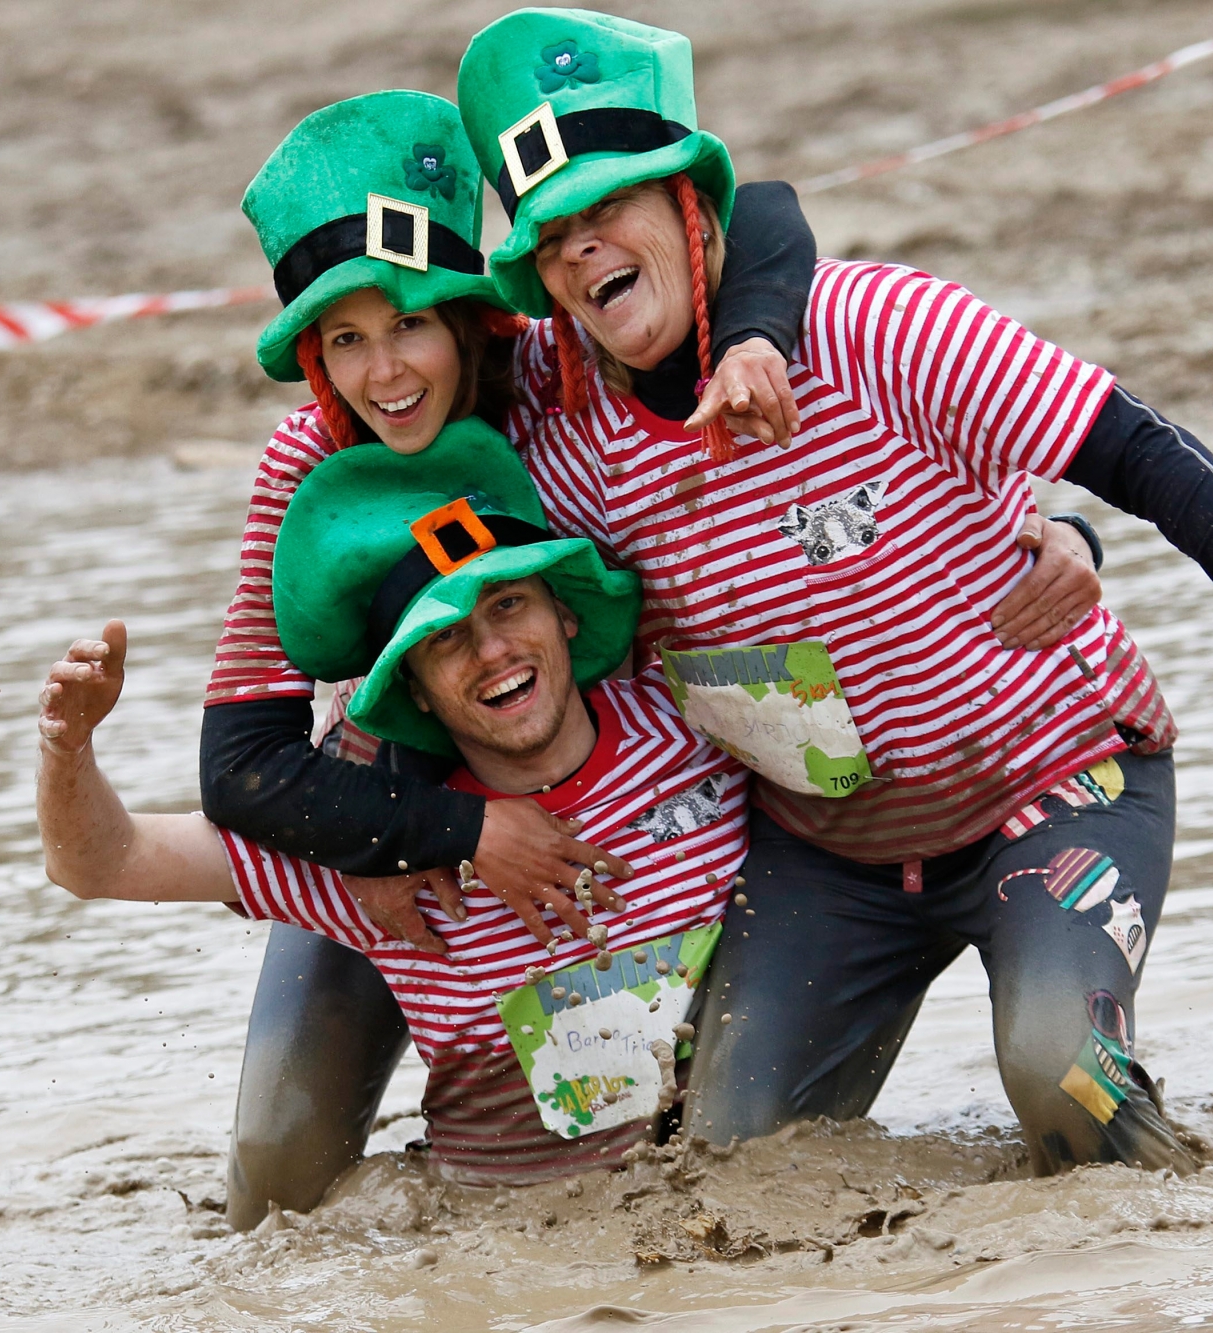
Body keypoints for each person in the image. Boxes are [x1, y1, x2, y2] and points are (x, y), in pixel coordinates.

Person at [438, 8, 1213, 1175]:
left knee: (1058, 1080)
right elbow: (402, 436)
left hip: (1056, 788)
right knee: (722, 1171)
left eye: (607, 206)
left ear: (688, 205)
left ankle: (1182, 1190)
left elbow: (1140, 450)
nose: (580, 249)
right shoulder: (560, 437)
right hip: (824, 855)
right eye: (552, 235)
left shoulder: (877, 325)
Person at [202, 81, 1112, 1219]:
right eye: (345, 342)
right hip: (389, 845)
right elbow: (235, 767)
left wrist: (1056, 521)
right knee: (273, 1171)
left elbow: (766, 223)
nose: (387, 375)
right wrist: (417, 828)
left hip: (618, 816)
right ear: (314, 358)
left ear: (474, 314)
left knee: (676, 1175)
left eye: (413, 324)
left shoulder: (562, 379)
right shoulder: (302, 467)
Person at [38, 428, 749, 1183]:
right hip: (495, 1229)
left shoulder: (701, 730)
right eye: (445, 640)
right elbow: (97, 863)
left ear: (567, 614)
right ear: (412, 689)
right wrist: (66, 750)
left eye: (508, 604)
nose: (492, 650)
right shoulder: (387, 857)